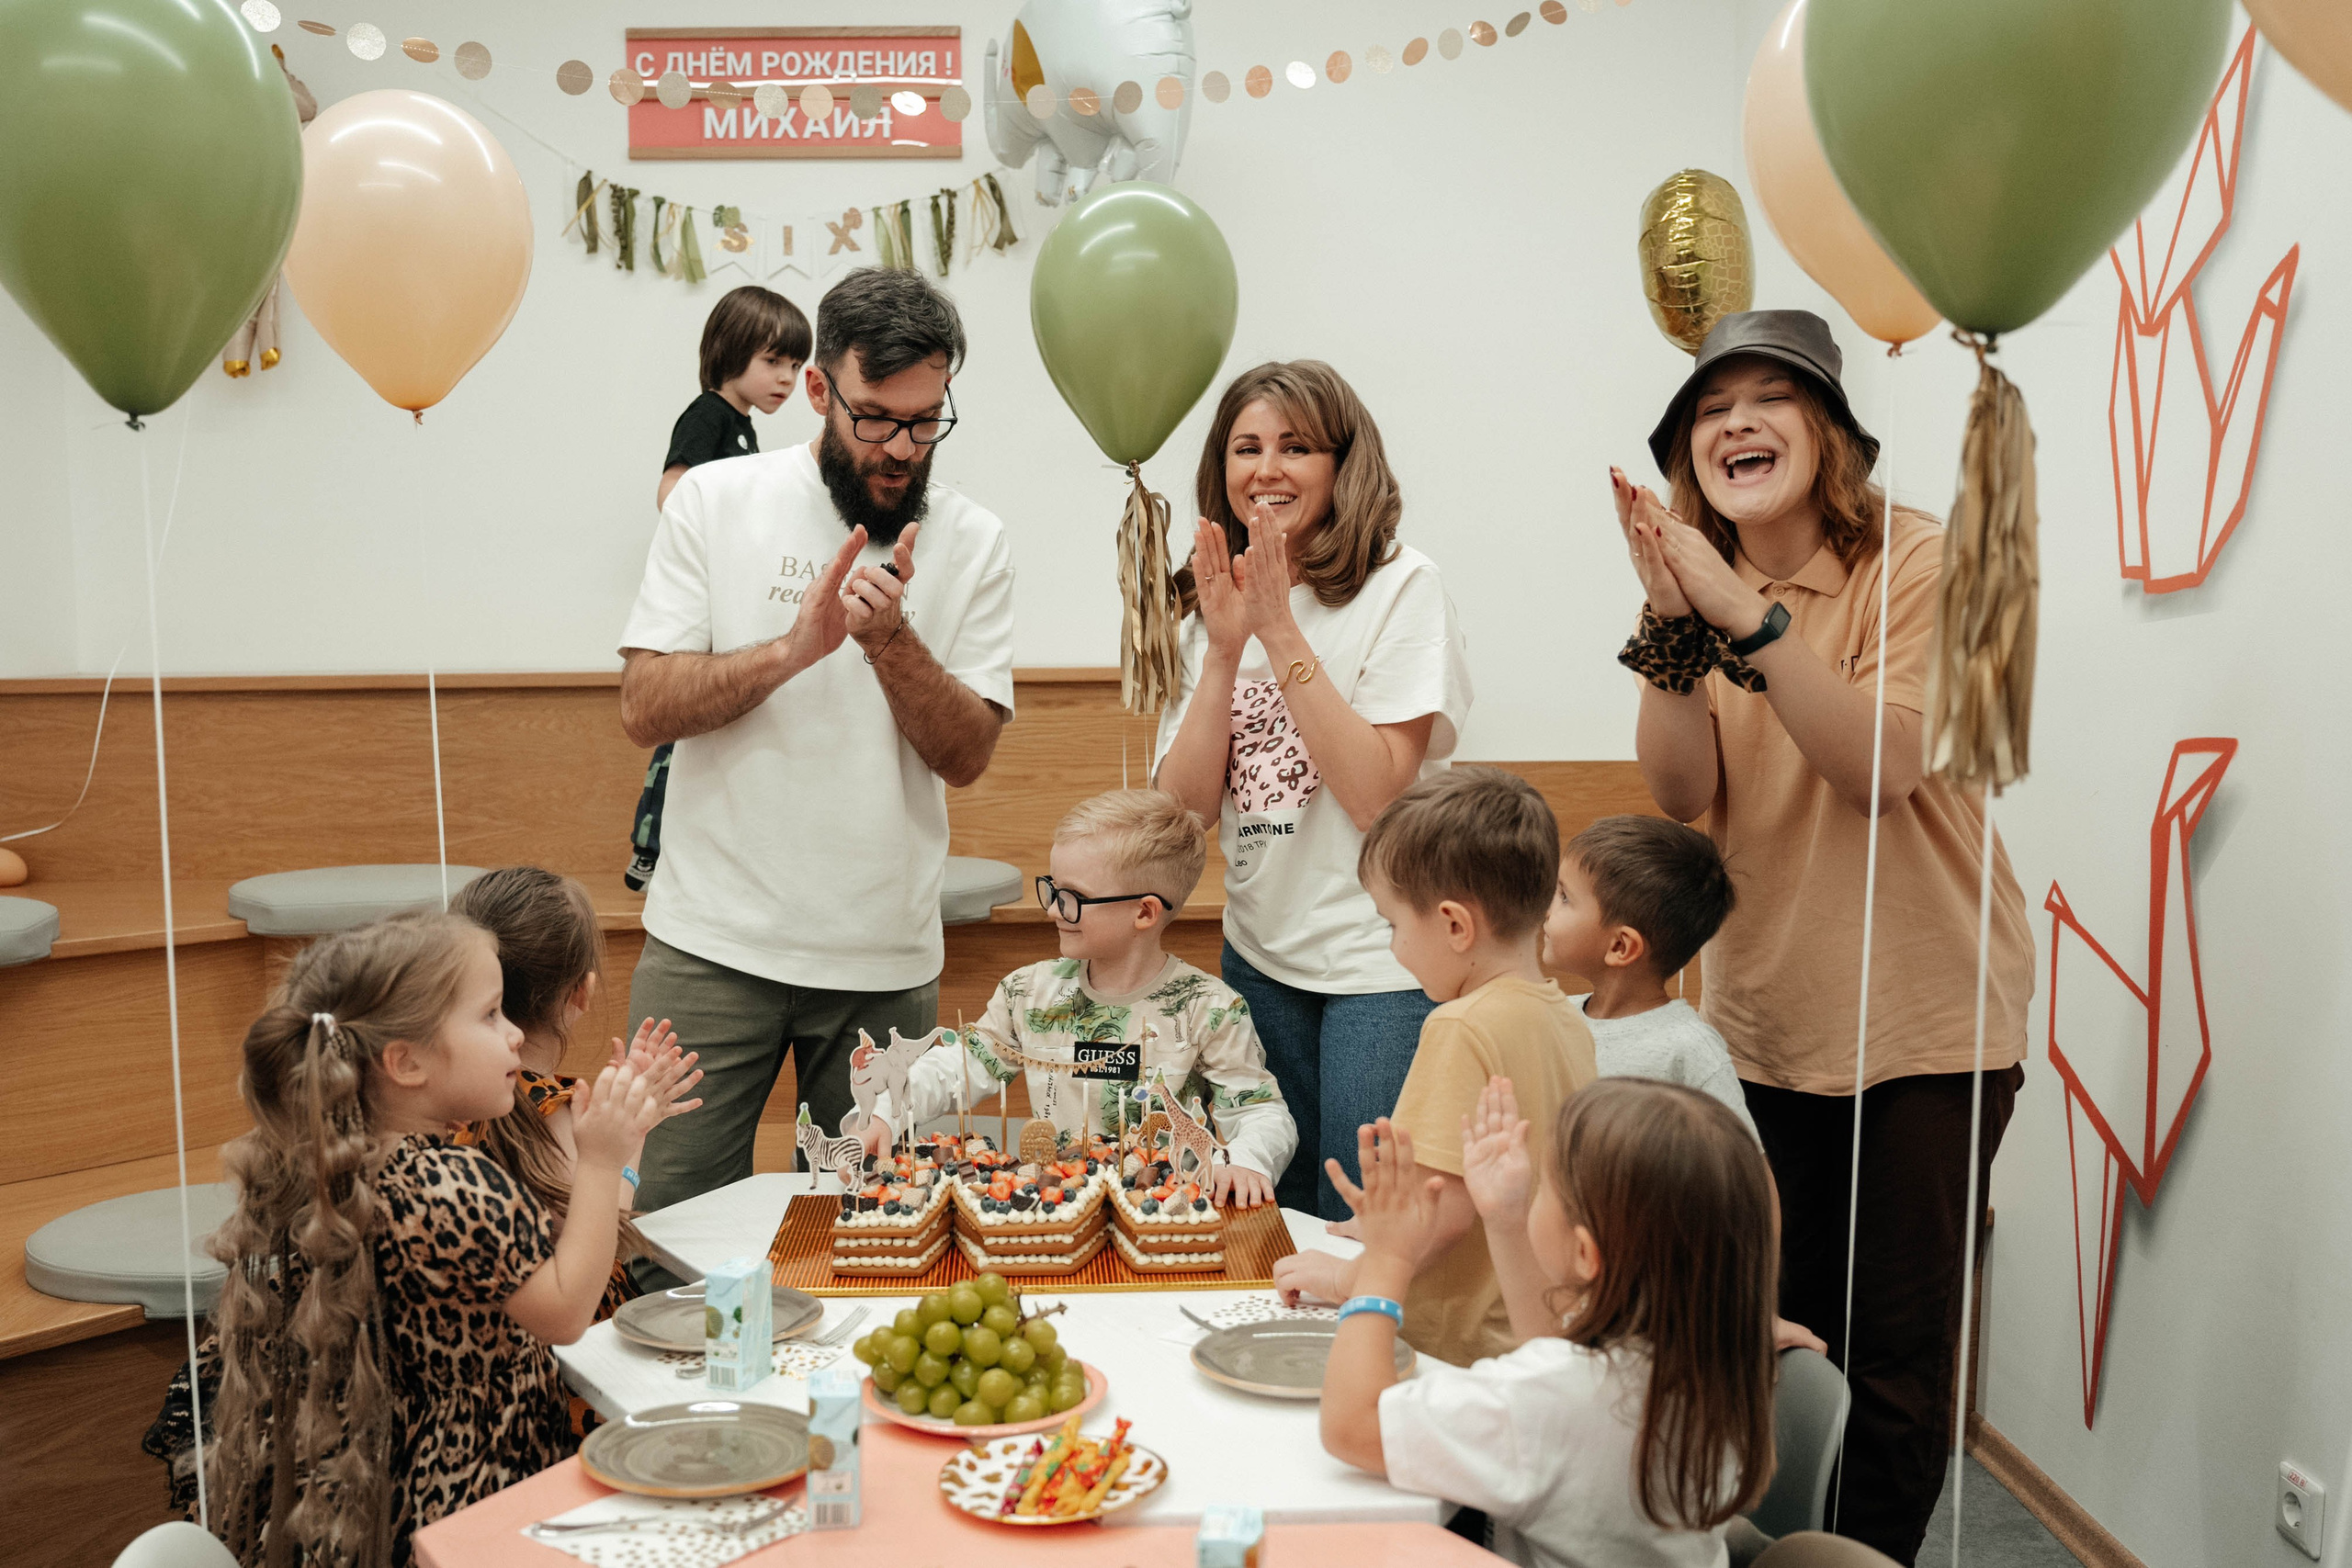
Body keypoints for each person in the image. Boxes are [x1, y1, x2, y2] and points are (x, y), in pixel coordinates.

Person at [1612, 309, 2031, 1563]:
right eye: (1711, 407)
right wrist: (1672, 626)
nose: (1736, 421)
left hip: (1927, 1021)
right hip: (1767, 1018)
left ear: (1833, 435)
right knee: (1772, 1340)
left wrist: (1735, 602)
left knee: (1898, 1372)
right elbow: (1680, 795)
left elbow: (1878, 767)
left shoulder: (1921, 559)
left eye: (1771, 398)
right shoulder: (1700, 588)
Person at [617, 266, 1015, 1226]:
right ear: (818, 391)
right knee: (670, 1232)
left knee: (876, 1234)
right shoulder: (713, 499)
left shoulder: (975, 539)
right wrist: (794, 651)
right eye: (876, 418)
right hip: (710, 945)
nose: (901, 449)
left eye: (926, 421)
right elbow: (644, 704)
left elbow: (965, 755)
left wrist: (891, 645)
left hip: (882, 958)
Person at [187, 912, 688, 1566]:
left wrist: (624, 1148)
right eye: (489, 1016)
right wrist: (601, 1159)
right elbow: (566, 1310)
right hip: (474, 1507)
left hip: (371, 1498)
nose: (514, 1035)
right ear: (406, 1062)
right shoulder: (449, 1181)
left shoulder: (326, 1165)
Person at [1153, 361, 1473, 1219]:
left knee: (1360, 1220)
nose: (1267, 469)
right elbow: (1179, 818)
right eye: (1246, 447)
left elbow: (1378, 803)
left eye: (1296, 447)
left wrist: (1277, 627)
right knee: (1261, 1217)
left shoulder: (1402, 585)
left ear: (1342, 464)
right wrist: (1225, 649)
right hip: (1258, 961)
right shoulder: (1211, 605)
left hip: (1383, 965)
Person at [1316, 1077, 1777, 1568]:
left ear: (1583, 1253)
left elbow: (1351, 1426)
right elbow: (1553, 1355)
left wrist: (1385, 1261)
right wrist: (1506, 1218)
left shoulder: (1559, 1398)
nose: (1535, 1188)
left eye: (1546, 1185)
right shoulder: (1715, 1362)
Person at [1271, 768, 1596, 1369]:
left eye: (1393, 925)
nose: (1394, 947)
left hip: (1453, 1349)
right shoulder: (1566, 1014)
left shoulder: (1460, 1025)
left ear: (1453, 924)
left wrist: (1349, 1279)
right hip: (1536, 1331)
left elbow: (1438, 1217)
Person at [862, 789, 1295, 1207]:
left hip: (1163, 1207)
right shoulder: (1026, 993)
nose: (1052, 909)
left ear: (1144, 912)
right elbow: (959, 1067)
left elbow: (1262, 1113)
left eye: (1073, 897)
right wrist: (890, 1109)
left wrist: (1248, 1160)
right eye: (1052, 888)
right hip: (1055, 1201)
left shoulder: (1210, 1008)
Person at [451, 866, 704, 1327]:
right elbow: (605, 1234)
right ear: (581, 992)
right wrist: (631, 1135)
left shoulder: (449, 1099)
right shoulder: (552, 1110)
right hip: (576, 1353)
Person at [629, 286, 813, 892]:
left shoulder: (746, 428)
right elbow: (671, 488)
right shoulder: (709, 415)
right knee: (682, 725)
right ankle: (650, 846)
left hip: (735, 597)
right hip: (703, 601)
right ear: (730, 353)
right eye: (773, 362)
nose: (786, 378)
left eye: (794, 365)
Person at [1541, 815, 1757, 1140]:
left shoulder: (1690, 1051)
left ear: (1620, 946)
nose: (1548, 907)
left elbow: (1749, 1175)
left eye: (1565, 897)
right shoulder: (1551, 1016)